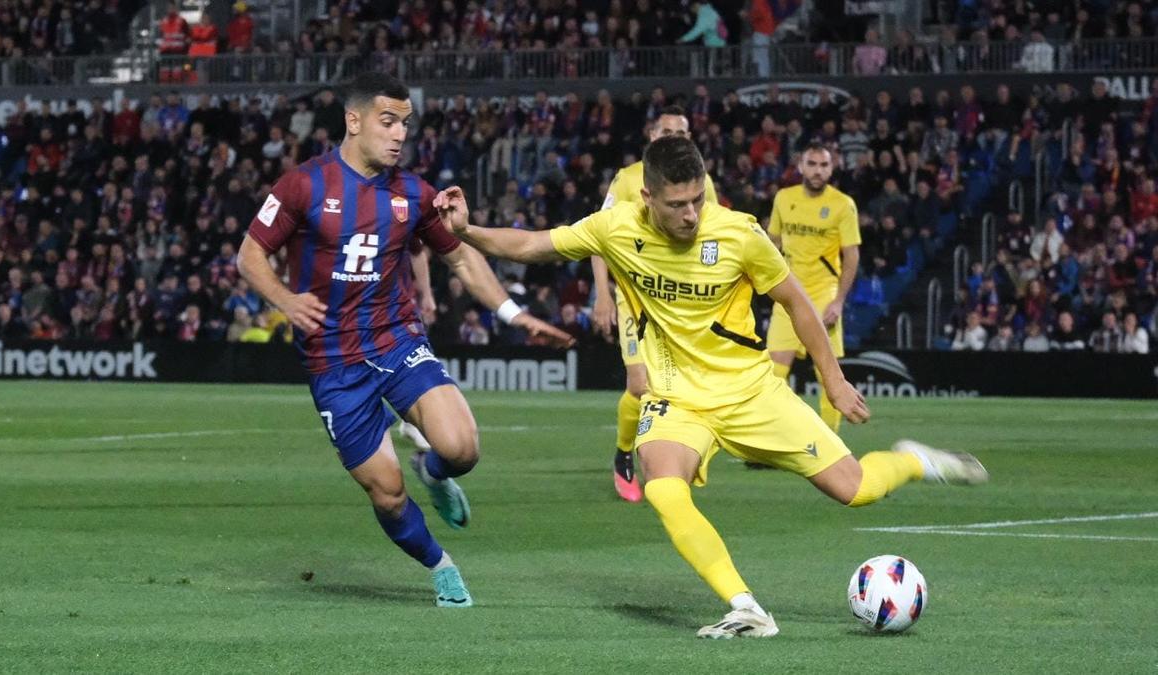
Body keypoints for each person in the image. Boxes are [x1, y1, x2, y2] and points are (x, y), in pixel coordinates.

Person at [433, 136, 988, 638]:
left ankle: (913, 461)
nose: (692, 213)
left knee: (856, 489)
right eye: (677, 204)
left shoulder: (739, 233)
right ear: (647, 196)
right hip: (677, 397)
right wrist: (465, 231)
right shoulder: (615, 226)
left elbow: (797, 302)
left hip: (751, 392)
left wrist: (834, 380)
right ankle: (746, 607)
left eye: (698, 198)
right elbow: (532, 244)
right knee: (662, 485)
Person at [237, 72, 573, 609]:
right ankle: (441, 566)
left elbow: (461, 256)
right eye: (387, 122)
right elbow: (250, 254)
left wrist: (514, 314)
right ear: (354, 121)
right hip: (333, 362)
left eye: (405, 125)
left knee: (462, 449)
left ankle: (434, 471)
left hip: (396, 341)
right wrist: (285, 299)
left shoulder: (413, 194)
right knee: (387, 493)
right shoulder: (303, 184)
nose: (399, 135)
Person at [592, 105, 720, 502]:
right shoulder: (629, 180)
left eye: (681, 134)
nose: (674, 139)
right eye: (667, 132)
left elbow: (716, 239)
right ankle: (623, 455)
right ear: (651, 134)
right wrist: (602, 294)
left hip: (683, 302)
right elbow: (597, 237)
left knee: (686, 385)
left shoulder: (702, 183)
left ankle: (681, 451)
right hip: (636, 298)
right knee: (639, 382)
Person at [765, 143, 860, 433]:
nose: (818, 171)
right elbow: (772, 244)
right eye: (812, 164)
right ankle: (770, 441)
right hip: (787, 292)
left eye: (824, 165)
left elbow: (852, 255)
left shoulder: (843, 204)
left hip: (822, 294)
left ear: (832, 169)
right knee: (773, 372)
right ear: (801, 166)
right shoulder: (784, 198)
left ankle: (830, 444)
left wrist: (839, 301)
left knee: (827, 373)